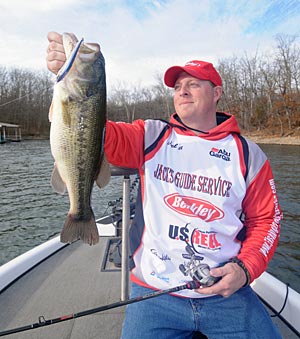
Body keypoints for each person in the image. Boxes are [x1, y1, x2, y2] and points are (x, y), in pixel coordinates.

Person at [46, 32, 283, 339]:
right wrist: (69, 76)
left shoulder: (249, 155)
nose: (182, 91)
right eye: (177, 86)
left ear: (217, 93)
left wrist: (245, 268)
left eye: (193, 84)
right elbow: (94, 133)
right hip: (154, 293)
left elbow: (268, 219)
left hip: (226, 293)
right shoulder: (151, 135)